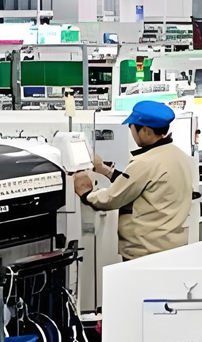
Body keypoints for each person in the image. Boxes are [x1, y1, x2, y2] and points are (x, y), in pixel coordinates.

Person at [74, 98, 195, 261]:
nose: (130, 131)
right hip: (172, 247)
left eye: (131, 126)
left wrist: (86, 194)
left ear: (145, 130)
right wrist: (105, 170)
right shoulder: (179, 156)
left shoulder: (145, 162)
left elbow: (112, 198)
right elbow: (137, 184)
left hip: (146, 252)